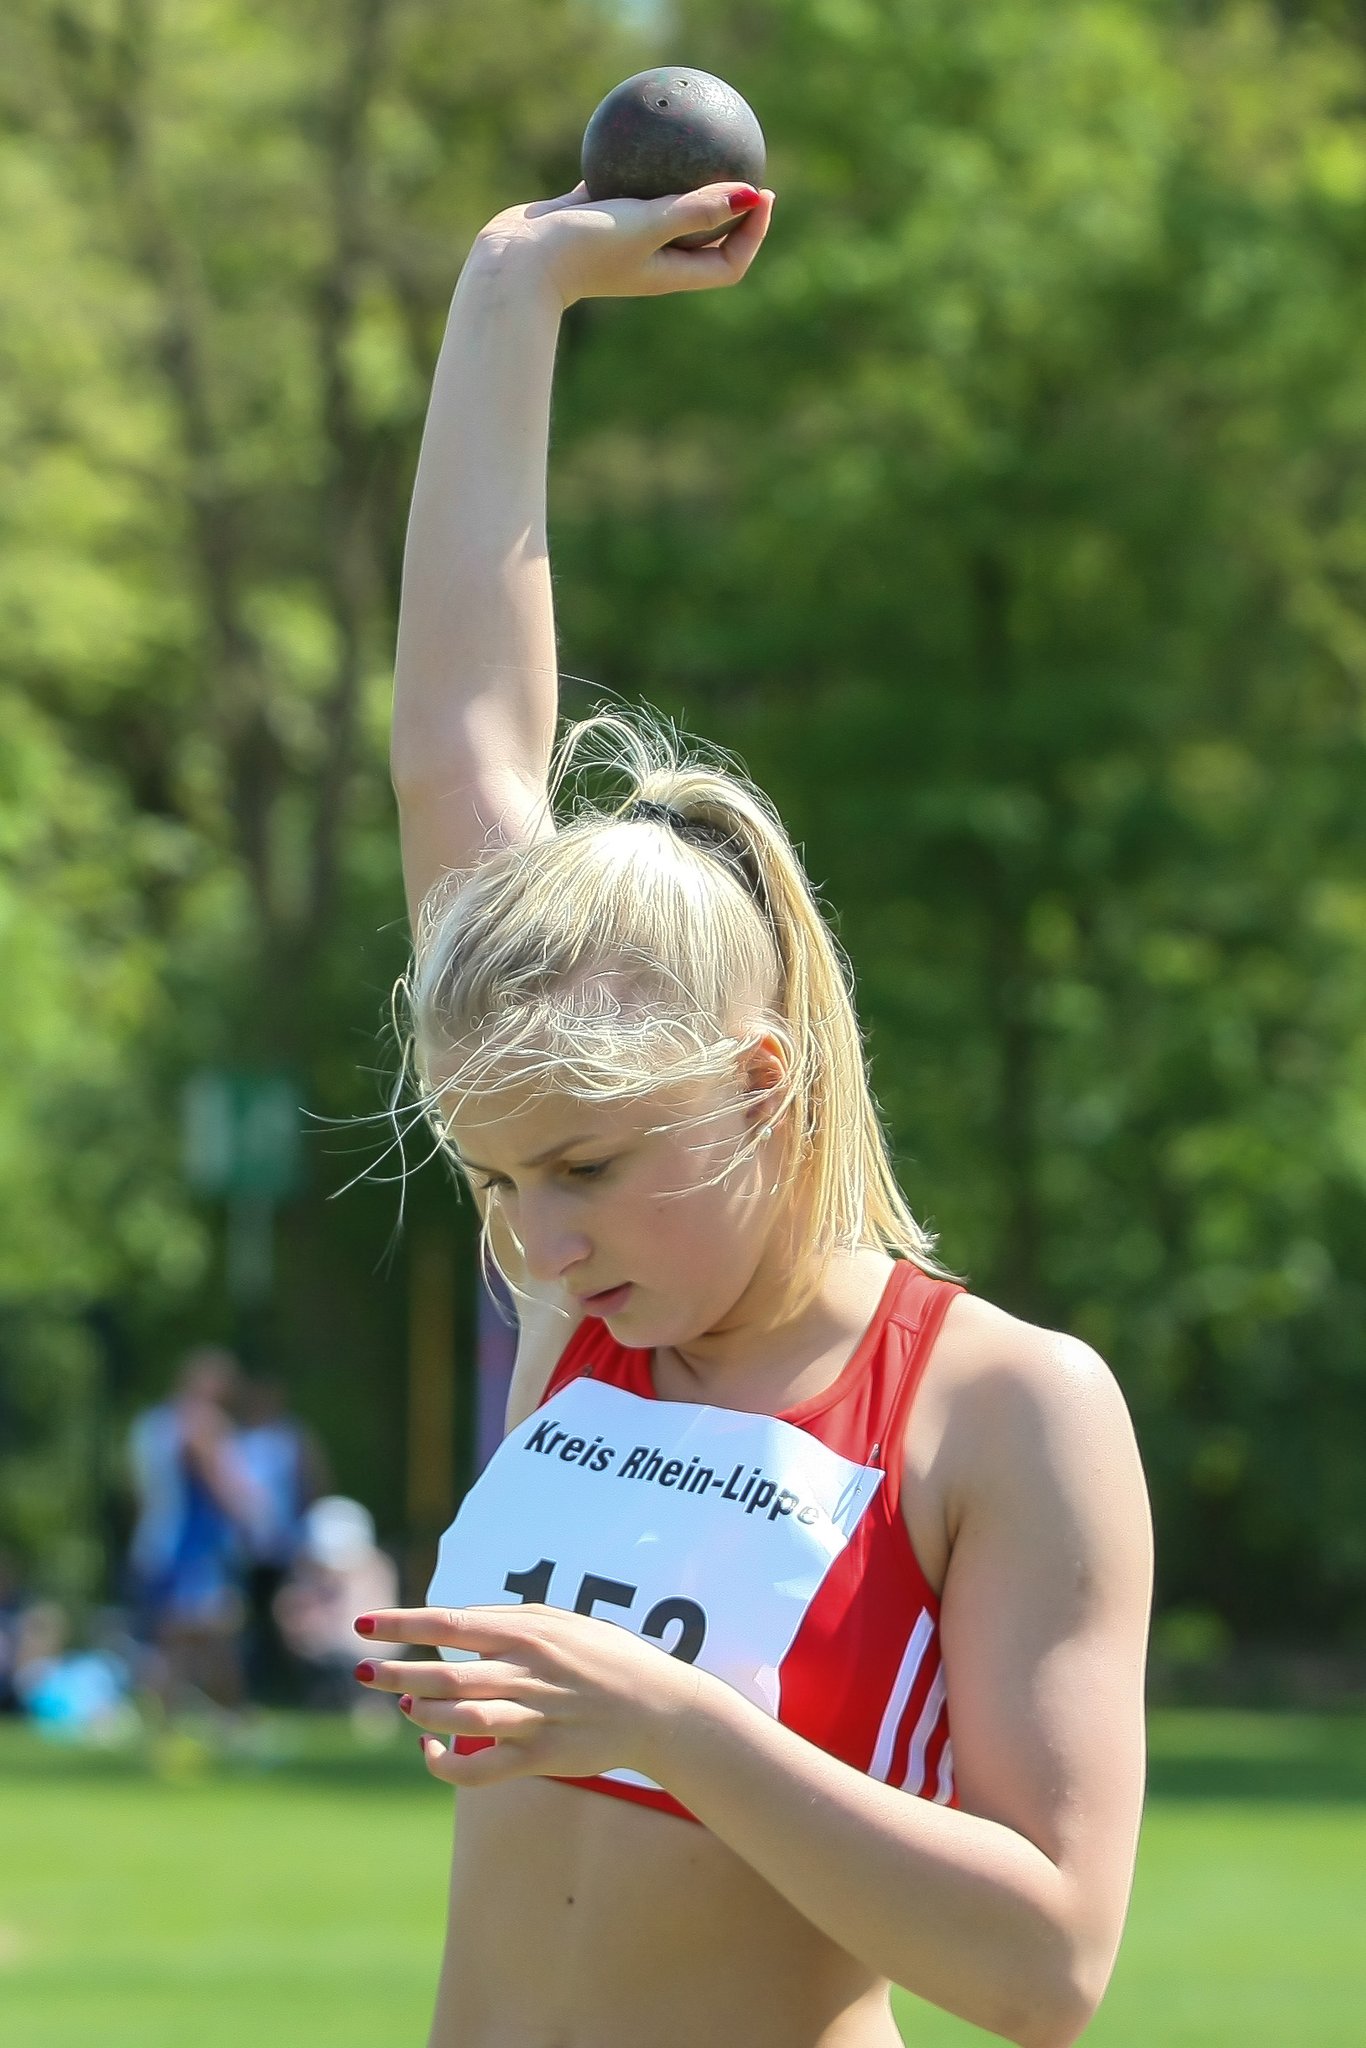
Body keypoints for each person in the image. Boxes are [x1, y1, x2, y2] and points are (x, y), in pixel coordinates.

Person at [354, 181, 1153, 2048]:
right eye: (495, 1180)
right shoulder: (594, 1306)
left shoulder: (1004, 1406)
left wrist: (668, 1720)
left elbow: (1050, 1962)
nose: (534, 1244)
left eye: (585, 1171)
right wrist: (513, 282)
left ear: (758, 1080)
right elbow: (458, 749)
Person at [125, 1346, 262, 1711]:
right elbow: (222, 1486)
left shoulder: (153, 1424)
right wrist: (253, 1518)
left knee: (183, 1640)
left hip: (158, 1542)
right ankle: (209, 1721)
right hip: (193, 1549)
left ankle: (186, 1723)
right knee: (202, 1639)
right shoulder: (201, 1424)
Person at [234, 1378, 330, 1703]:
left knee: (290, 1615)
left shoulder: (291, 1438)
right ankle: (255, 1685)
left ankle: (292, 1686)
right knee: (247, 1619)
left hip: (286, 1544)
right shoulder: (236, 1438)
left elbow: (313, 1483)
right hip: (245, 1547)